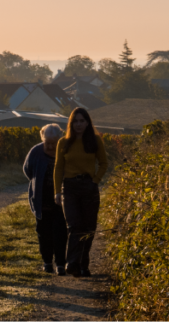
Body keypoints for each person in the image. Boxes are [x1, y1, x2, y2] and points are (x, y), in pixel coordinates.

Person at [54, 107, 108, 278]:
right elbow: (58, 168)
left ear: (87, 123)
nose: (78, 124)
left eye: (82, 121)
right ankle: (72, 263)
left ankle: (83, 265)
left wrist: (95, 180)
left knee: (89, 228)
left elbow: (104, 163)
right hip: (70, 188)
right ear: (71, 123)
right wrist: (57, 192)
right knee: (75, 226)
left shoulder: (95, 141)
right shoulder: (63, 142)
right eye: (75, 121)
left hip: (89, 187)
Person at [23, 124, 68, 276]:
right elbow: (27, 169)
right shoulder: (36, 151)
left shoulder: (64, 151)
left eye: (52, 143)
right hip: (41, 200)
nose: (49, 146)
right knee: (43, 232)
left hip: (61, 200)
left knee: (60, 232)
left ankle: (61, 264)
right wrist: (37, 182)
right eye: (47, 142)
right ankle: (47, 262)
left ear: (59, 140)